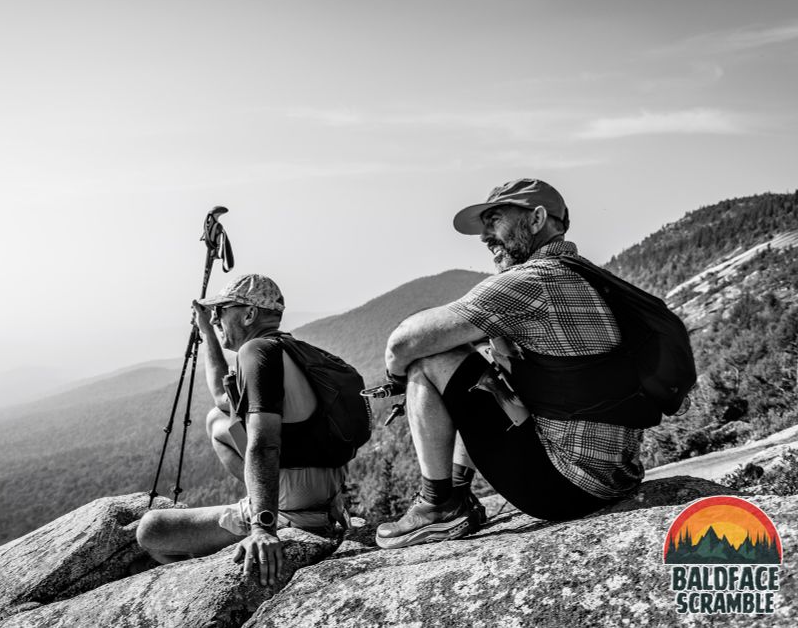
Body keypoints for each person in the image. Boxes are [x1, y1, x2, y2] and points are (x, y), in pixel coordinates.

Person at [375, 178, 645, 549]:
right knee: (484, 365)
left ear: (536, 220)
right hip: (616, 475)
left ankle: (438, 505)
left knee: (431, 358)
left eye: (495, 219)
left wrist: (397, 376)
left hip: (565, 486)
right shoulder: (587, 275)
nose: (486, 236)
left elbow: (403, 341)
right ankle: (455, 494)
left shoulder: (531, 281)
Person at [137, 273, 351, 585]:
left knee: (151, 529)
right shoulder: (295, 352)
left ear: (249, 314)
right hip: (325, 498)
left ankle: (254, 520)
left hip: (294, 508)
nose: (216, 317)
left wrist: (263, 526)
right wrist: (208, 331)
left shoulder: (256, 353)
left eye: (221, 310)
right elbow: (224, 400)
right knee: (217, 419)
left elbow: (265, 444)